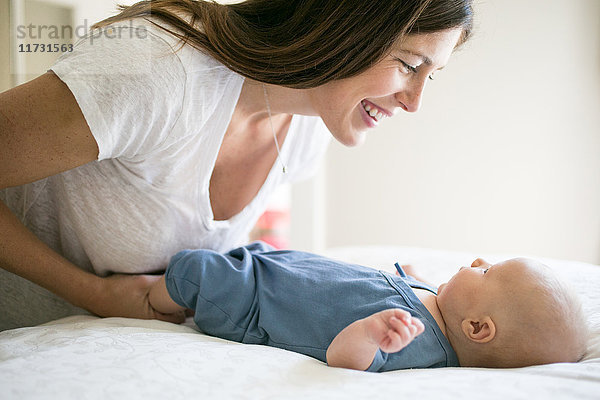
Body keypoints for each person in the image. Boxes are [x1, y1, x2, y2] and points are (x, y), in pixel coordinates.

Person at [0, 0, 474, 330]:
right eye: (410, 65)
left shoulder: (310, 124)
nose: (415, 102)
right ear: (345, 28)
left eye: (433, 74)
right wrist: (92, 294)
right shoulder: (157, 67)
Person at [147, 242, 588, 372]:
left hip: (254, 306)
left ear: (476, 329)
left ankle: (149, 300)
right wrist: (413, 276)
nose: (478, 262)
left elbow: (345, 360)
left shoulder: (414, 345)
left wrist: (370, 334)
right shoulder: (440, 304)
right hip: (282, 270)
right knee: (240, 251)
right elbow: (410, 287)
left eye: (488, 273)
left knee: (193, 270)